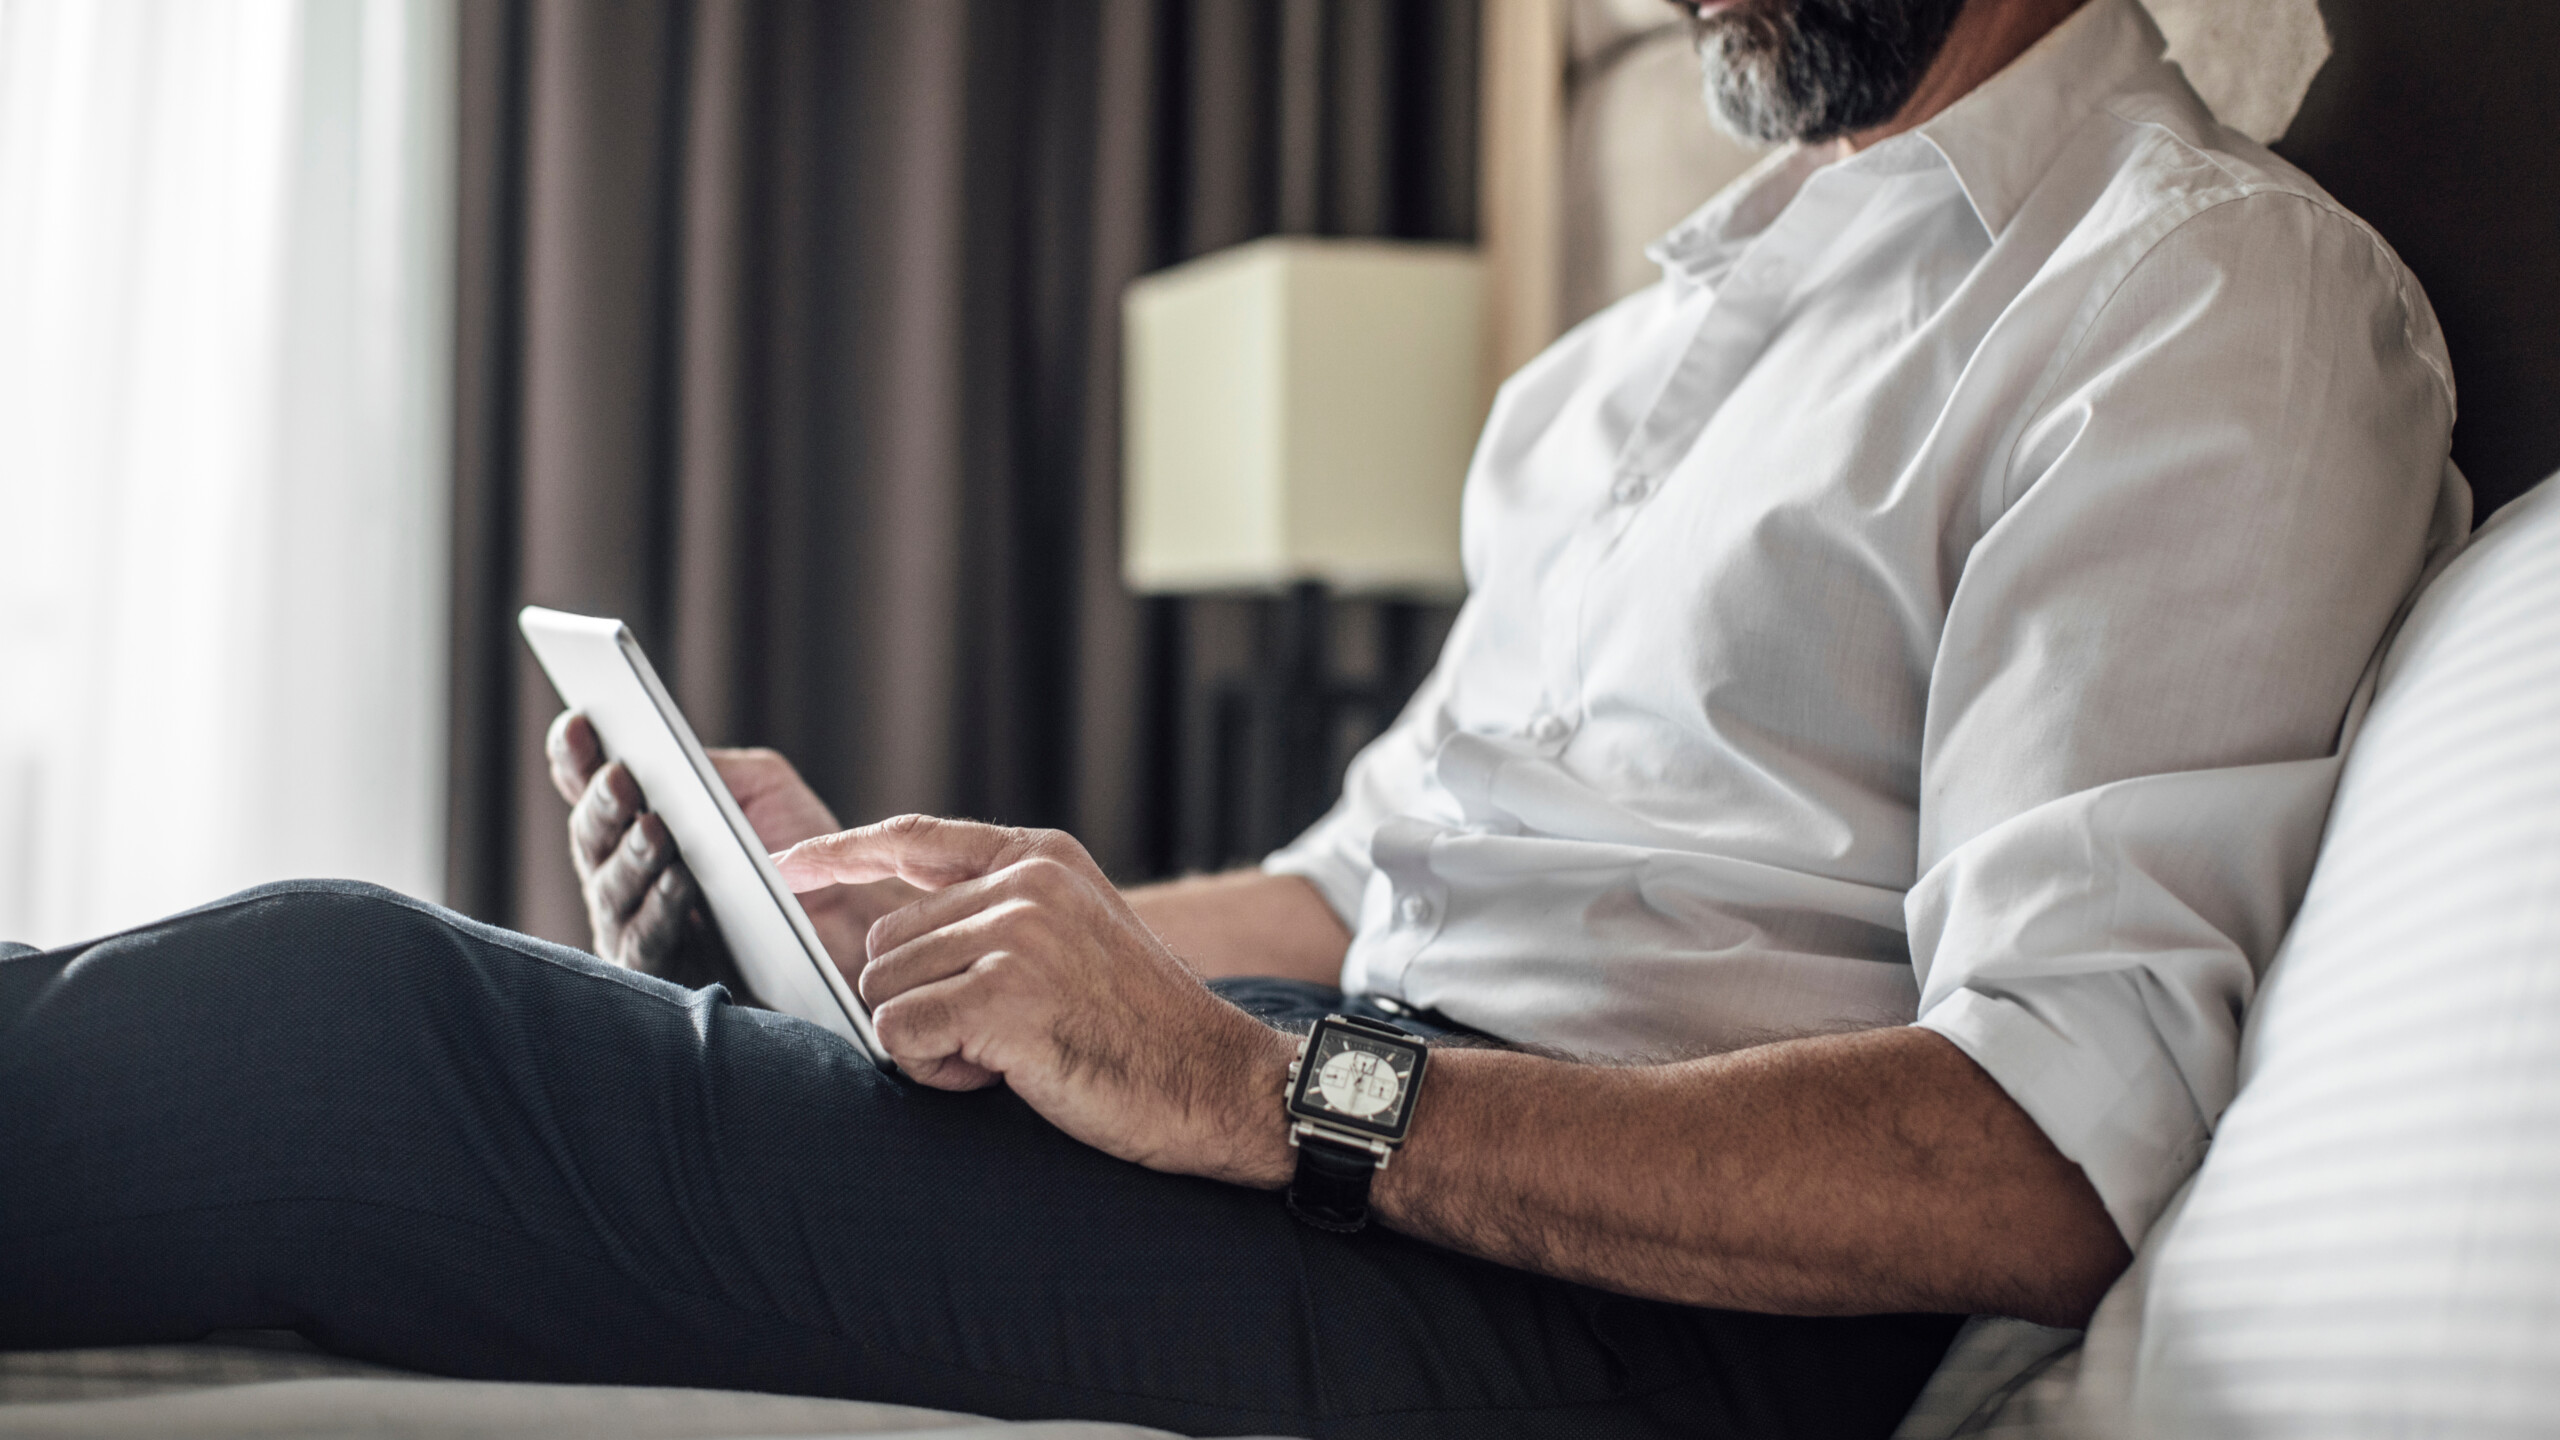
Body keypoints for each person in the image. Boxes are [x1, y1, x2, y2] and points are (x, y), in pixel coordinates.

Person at [0, 0, 2462, 1435]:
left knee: (353, 1025)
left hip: (1628, 1318)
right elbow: (1366, 882)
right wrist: (899, 919)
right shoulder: (1645, 355)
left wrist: (1247, 1089)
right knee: (423, 1013)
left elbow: (2027, 1161)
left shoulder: (2193, 310)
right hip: (1354, 1130)